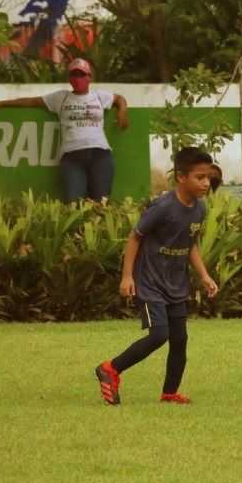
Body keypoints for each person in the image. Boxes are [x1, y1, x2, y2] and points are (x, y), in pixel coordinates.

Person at [95, 147, 219, 405]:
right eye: (200, 177)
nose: (206, 183)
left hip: (176, 283)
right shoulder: (162, 206)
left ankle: (169, 393)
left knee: (180, 340)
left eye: (208, 177)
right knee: (158, 334)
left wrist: (204, 276)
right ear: (181, 177)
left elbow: (191, 245)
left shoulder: (200, 209)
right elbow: (135, 237)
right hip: (150, 282)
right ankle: (110, 368)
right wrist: (127, 277)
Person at [0, 58, 128, 202]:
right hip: (72, 158)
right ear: (69, 78)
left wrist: (122, 113)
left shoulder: (99, 96)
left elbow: (119, 99)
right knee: (74, 204)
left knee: (101, 202)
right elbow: (31, 101)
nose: (78, 78)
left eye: (81, 74)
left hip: (100, 155)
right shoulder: (60, 98)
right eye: (74, 75)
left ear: (89, 77)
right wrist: (0, 104)